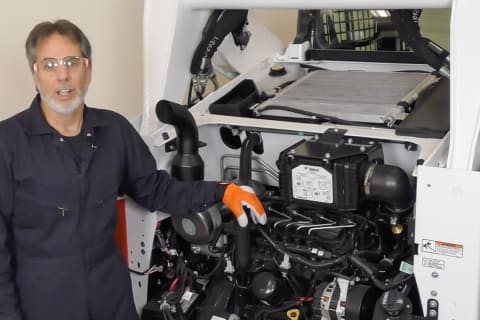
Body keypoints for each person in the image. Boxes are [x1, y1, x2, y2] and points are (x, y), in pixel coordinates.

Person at [0, 19, 266, 320]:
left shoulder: (113, 130)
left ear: (87, 67)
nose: (63, 75)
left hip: (111, 300)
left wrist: (221, 192)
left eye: (71, 62)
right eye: (49, 65)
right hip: (43, 306)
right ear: (35, 72)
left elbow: (155, 189)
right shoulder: (7, 144)